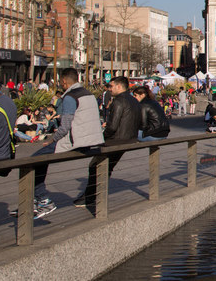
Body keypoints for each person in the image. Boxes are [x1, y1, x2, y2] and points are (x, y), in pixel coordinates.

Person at [31, 68, 105, 218]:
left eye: (60, 82)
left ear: (64, 81)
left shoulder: (70, 97)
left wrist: (51, 140)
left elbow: (65, 127)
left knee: (34, 160)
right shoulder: (88, 94)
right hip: (92, 140)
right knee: (39, 160)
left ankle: (42, 199)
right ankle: (35, 199)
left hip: (75, 140)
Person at [75, 76, 140, 209]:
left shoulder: (119, 101)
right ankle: (91, 195)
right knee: (105, 167)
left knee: (95, 166)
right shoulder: (134, 100)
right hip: (129, 138)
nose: (109, 89)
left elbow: (112, 126)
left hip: (116, 140)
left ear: (119, 86)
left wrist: (102, 138)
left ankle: (90, 197)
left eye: (111, 86)